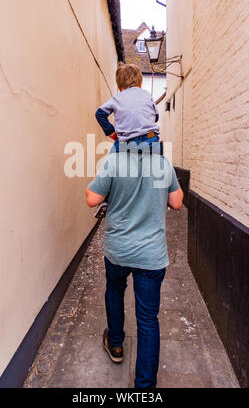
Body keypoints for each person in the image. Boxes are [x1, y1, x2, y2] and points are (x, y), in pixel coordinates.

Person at [86, 141, 184, 389]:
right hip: (151, 256)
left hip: (118, 250)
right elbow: (177, 202)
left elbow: (91, 199)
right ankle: (145, 386)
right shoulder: (163, 164)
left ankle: (116, 343)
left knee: (115, 290)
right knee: (148, 319)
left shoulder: (113, 161)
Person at [94, 63, 160, 219]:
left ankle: (105, 199)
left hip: (125, 142)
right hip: (151, 140)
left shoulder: (117, 98)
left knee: (109, 167)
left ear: (118, 86)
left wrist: (111, 132)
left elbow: (99, 114)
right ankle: (155, 196)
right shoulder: (147, 95)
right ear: (141, 82)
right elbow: (156, 116)